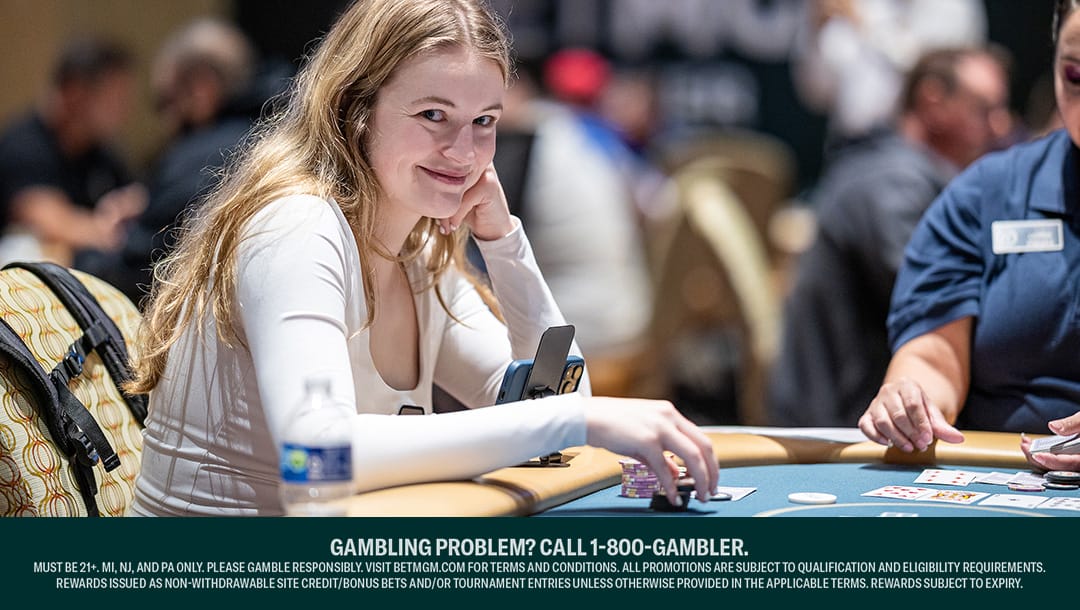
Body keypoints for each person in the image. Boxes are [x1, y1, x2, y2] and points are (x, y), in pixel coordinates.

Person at [127, 0, 717, 516]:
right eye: (433, 115)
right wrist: (571, 421)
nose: (463, 152)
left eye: (483, 121)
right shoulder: (297, 226)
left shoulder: (419, 247)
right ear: (355, 111)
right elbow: (317, 454)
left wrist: (505, 243)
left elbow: (558, 406)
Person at [858, 0, 1080, 476]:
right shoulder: (985, 194)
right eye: (1076, 76)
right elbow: (935, 357)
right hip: (1000, 477)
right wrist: (910, 396)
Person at [768, 45, 1011, 427]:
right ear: (933, 101)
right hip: (840, 426)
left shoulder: (893, 168)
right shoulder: (894, 182)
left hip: (864, 412)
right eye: (984, 109)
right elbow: (939, 304)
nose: (1001, 126)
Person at [76, 18, 277, 305]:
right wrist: (149, 202)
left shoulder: (203, 156)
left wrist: (87, 254)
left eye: (165, 101)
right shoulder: (277, 132)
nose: (165, 123)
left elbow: (138, 270)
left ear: (201, 88)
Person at [0, 36, 146, 267]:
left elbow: (135, 197)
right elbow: (51, 225)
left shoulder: (102, 153)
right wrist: (110, 229)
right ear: (76, 93)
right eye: (115, 99)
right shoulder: (24, 146)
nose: (125, 111)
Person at [792, 0, 988, 144]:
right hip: (846, 149)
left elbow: (923, 71)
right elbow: (816, 95)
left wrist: (862, 23)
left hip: (916, 153)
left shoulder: (953, 7)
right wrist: (816, 29)